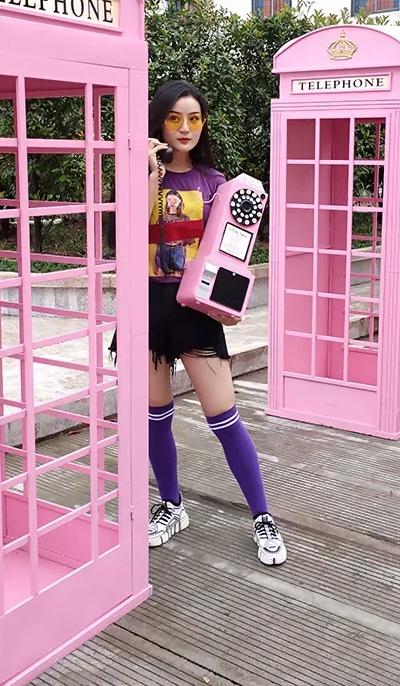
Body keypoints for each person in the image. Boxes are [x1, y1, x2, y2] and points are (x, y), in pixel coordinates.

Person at [114, 79, 287, 566]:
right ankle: (171, 504)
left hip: (195, 311)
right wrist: (148, 172)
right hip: (147, 307)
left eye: (194, 118)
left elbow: (232, 249)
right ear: (159, 122)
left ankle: (262, 515)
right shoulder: (137, 175)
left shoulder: (216, 183)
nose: (185, 128)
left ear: (203, 123)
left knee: (225, 419)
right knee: (155, 417)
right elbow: (125, 235)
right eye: (174, 118)